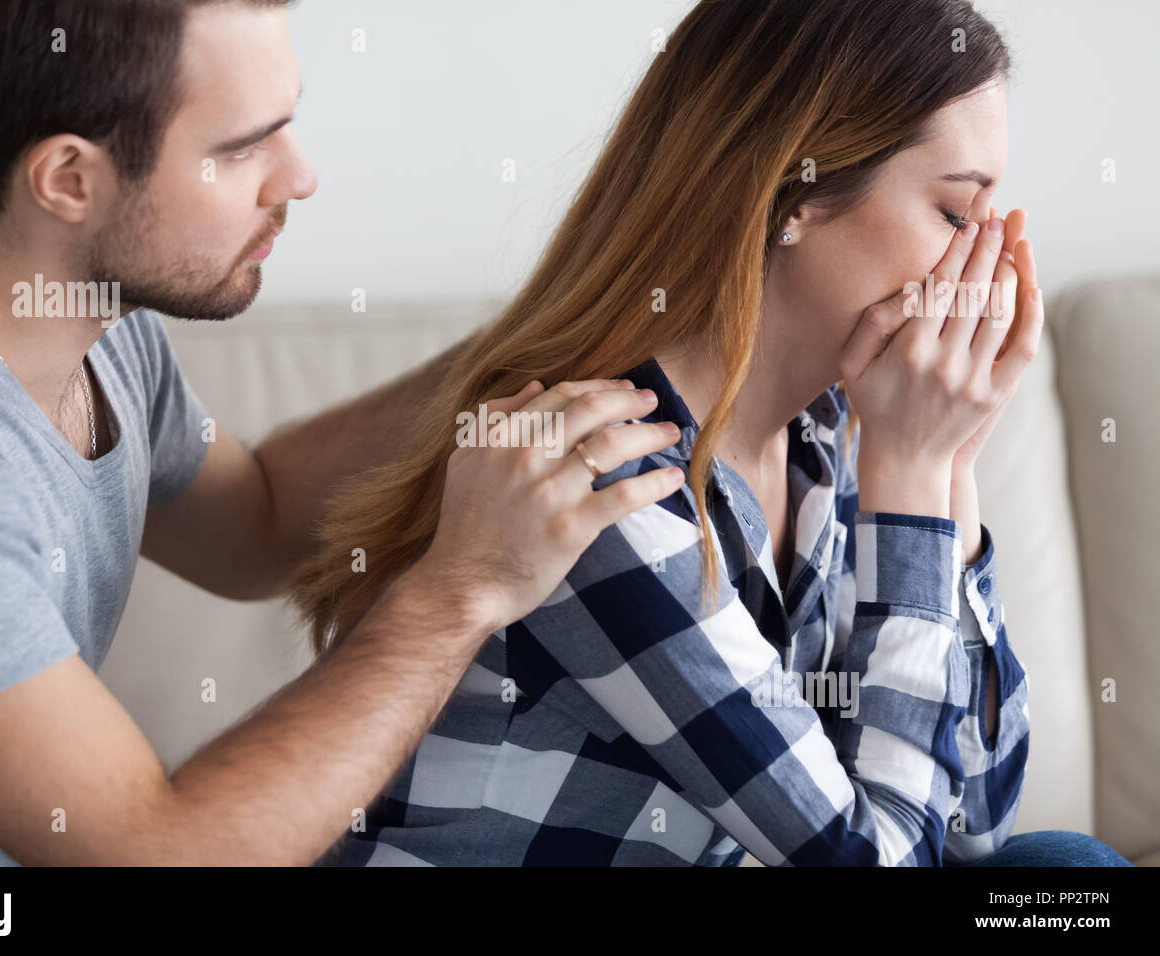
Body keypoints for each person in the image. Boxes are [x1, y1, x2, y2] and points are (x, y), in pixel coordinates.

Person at [293, 0, 1126, 866]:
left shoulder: (825, 442)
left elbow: (971, 831)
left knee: (1058, 877)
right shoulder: (605, 473)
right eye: (957, 218)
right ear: (792, 195)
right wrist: (914, 470)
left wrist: (949, 466)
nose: (980, 267)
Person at [0, 0, 687, 866]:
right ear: (69, 179)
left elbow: (254, 526)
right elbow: (165, 855)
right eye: (242, 146)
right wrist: (464, 589)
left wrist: (552, 332)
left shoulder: (98, 319)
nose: (298, 178)